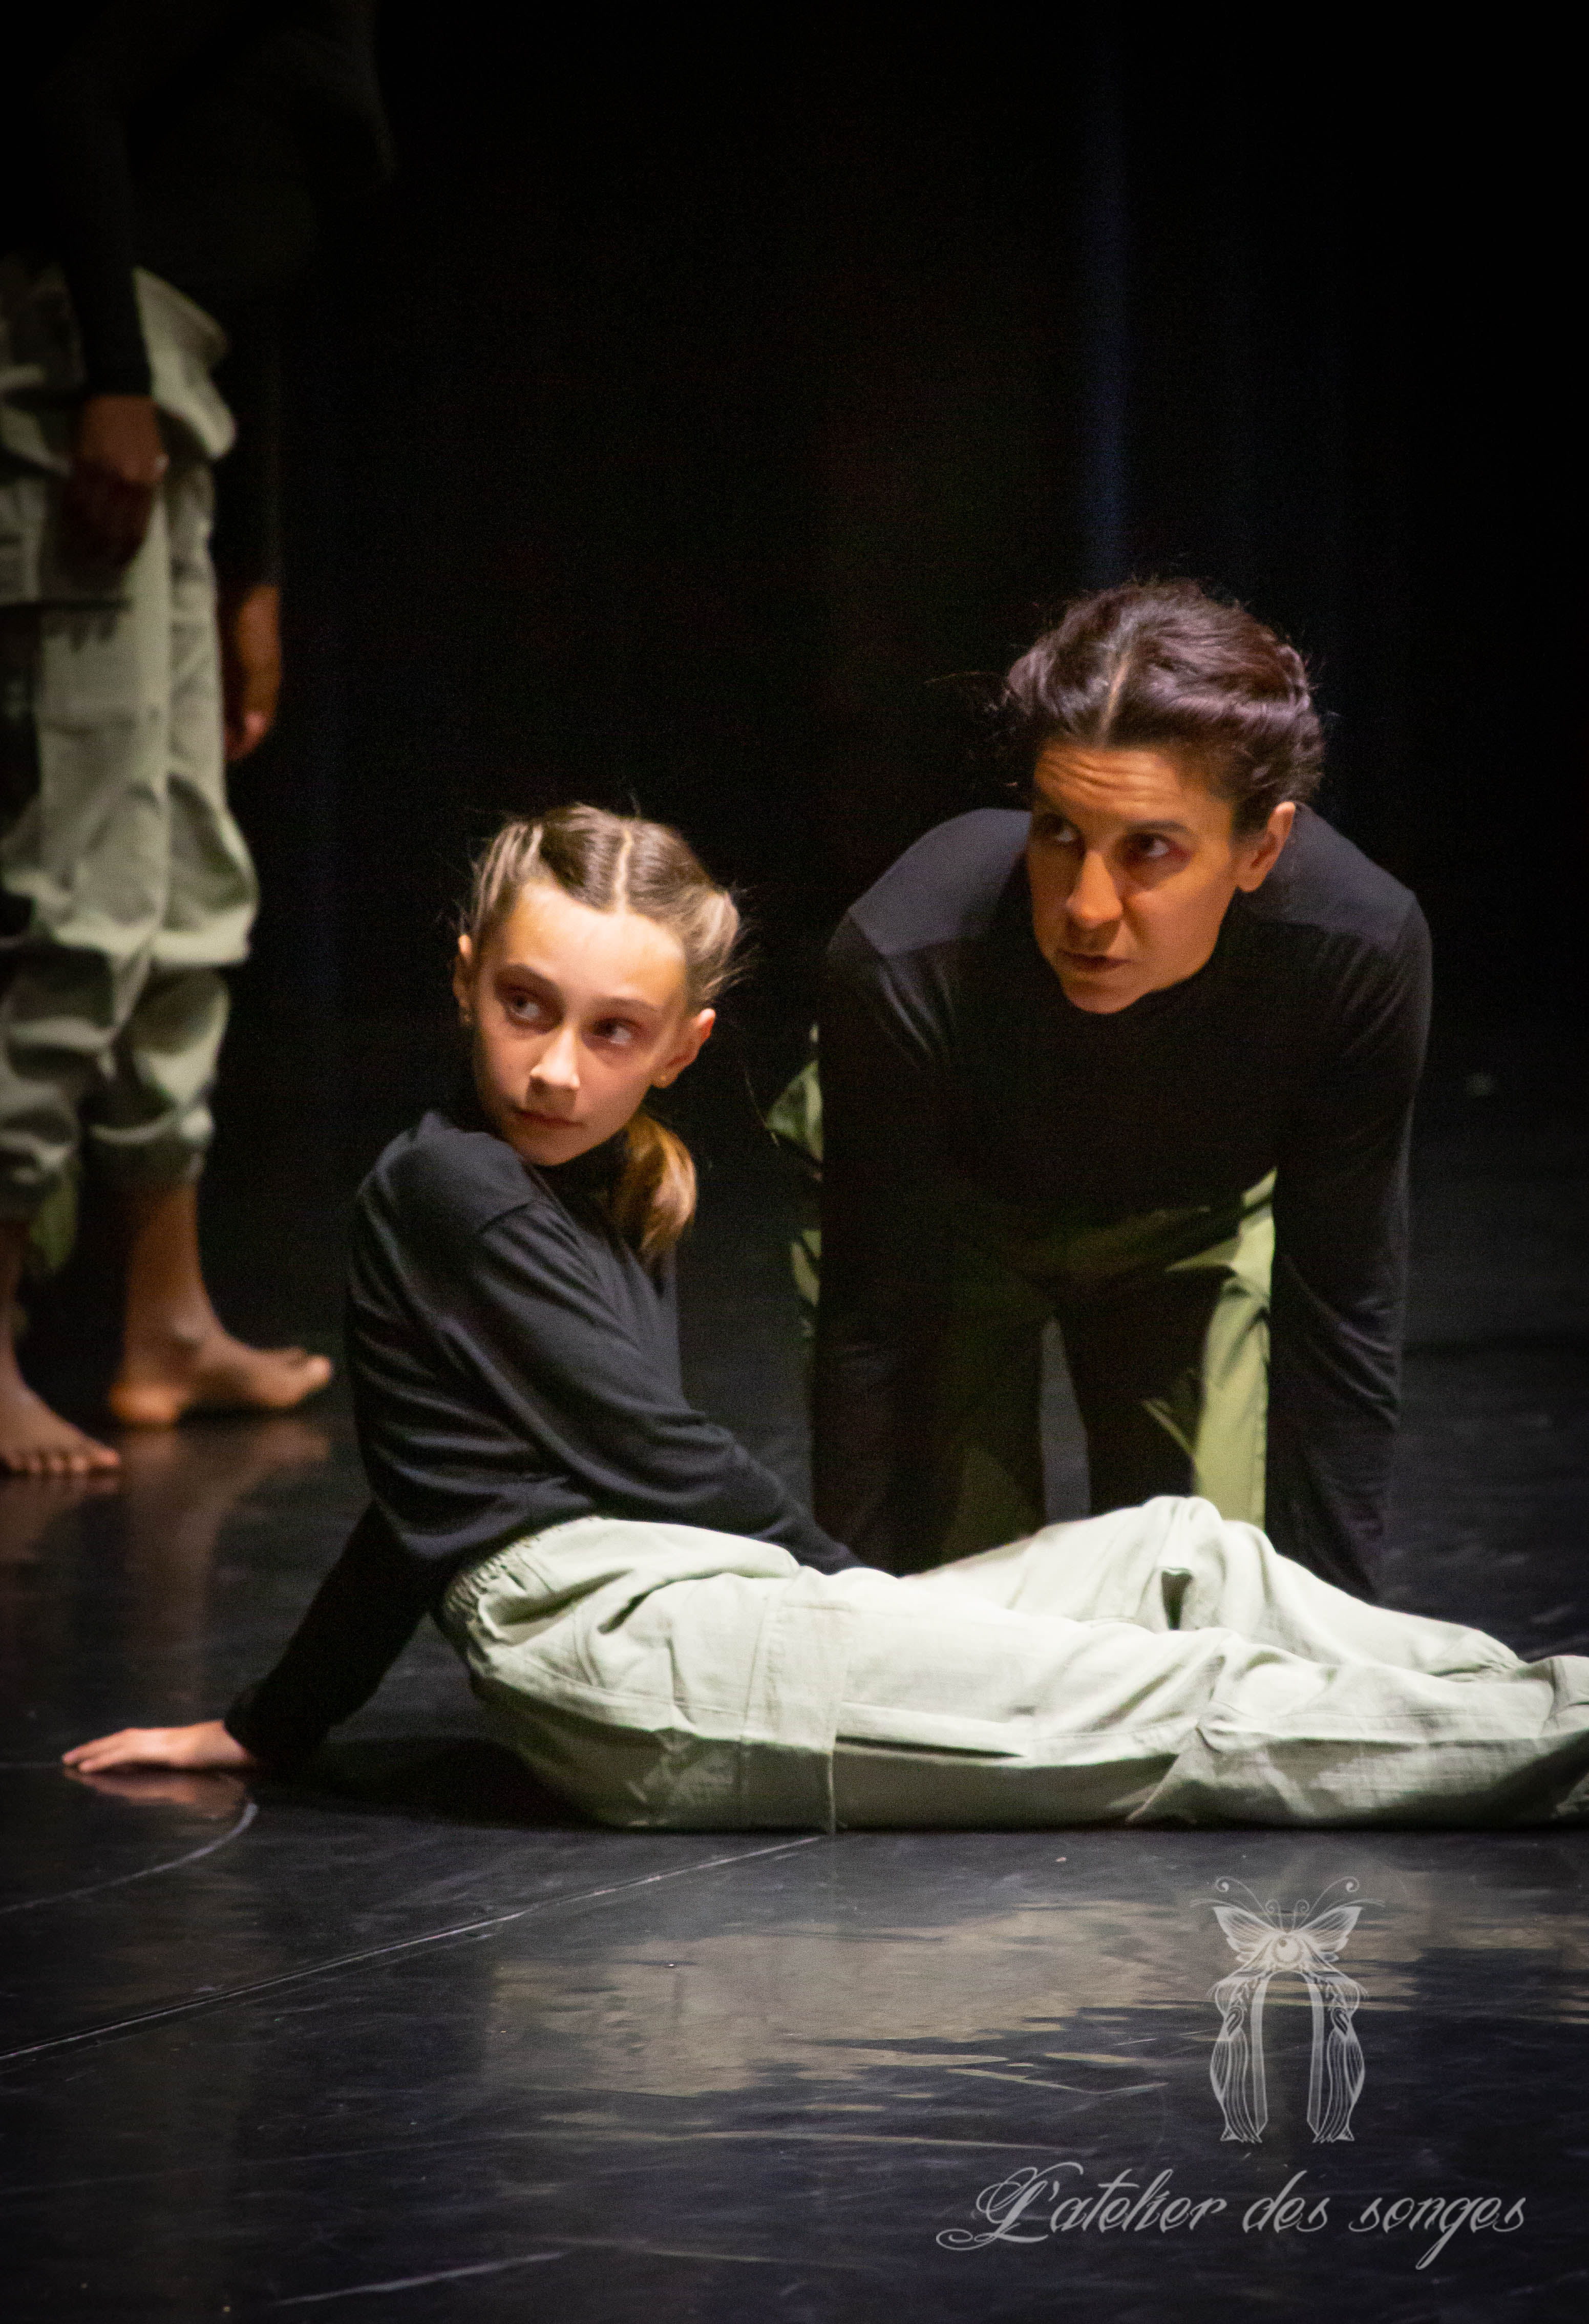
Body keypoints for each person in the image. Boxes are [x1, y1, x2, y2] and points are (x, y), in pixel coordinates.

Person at [64, 806, 1589, 1832]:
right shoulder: (452, 1188)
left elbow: (413, 1498)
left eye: (612, 1032)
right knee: (1178, 1705)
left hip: (703, 1604)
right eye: (525, 1005)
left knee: (1182, 1553)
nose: (556, 1069)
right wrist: (873, 1595)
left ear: (680, 1048)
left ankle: (1530, 1698)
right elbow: (650, 1454)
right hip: (622, 1654)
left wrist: (273, 1724)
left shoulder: (607, 1183)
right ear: (465, 978)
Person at [801, 581, 1430, 1599]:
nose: (1087, 908)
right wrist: (863, 1614)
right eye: (1058, 831)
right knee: (956, 1617)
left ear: (1261, 847)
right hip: (952, 1224)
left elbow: (1342, 1308)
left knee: (1214, 1597)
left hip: (1194, 1220)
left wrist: (1331, 1634)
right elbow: (876, 1321)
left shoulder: (1349, 950)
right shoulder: (905, 953)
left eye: (1149, 848)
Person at [0, 4, 392, 1476]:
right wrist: (110, 370)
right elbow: (65, 94)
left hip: (183, 398)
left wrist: (253, 573)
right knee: (85, 892)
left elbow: (253, 275)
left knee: (183, 889)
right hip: (83, 379)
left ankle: (165, 1319)